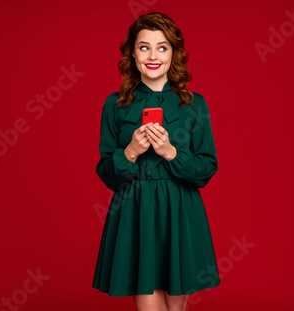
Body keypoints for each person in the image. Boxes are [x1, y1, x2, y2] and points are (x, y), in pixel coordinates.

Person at [92, 12, 220, 311]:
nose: (153, 55)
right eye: (144, 47)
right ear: (132, 53)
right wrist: (132, 151)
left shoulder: (193, 103)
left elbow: (206, 169)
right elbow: (107, 174)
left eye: (162, 47)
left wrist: (171, 153)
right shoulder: (115, 104)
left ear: (173, 53)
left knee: (176, 307)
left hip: (181, 210)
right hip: (135, 210)